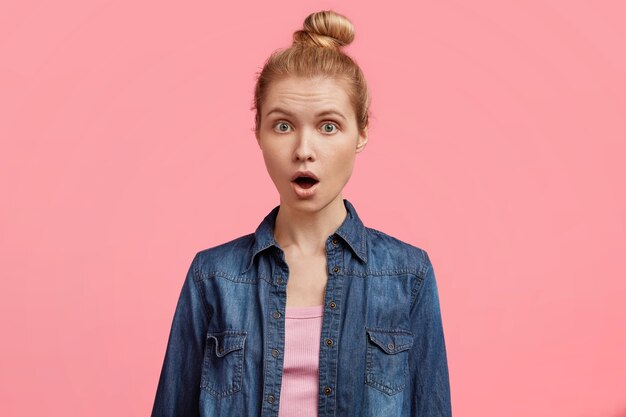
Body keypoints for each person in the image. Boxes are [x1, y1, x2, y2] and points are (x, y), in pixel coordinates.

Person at [150, 9, 452, 417]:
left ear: (361, 132)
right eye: (283, 126)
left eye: (328, 126)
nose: (304, 150)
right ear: (258, 130)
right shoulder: (213, 277)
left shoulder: (407, 276)